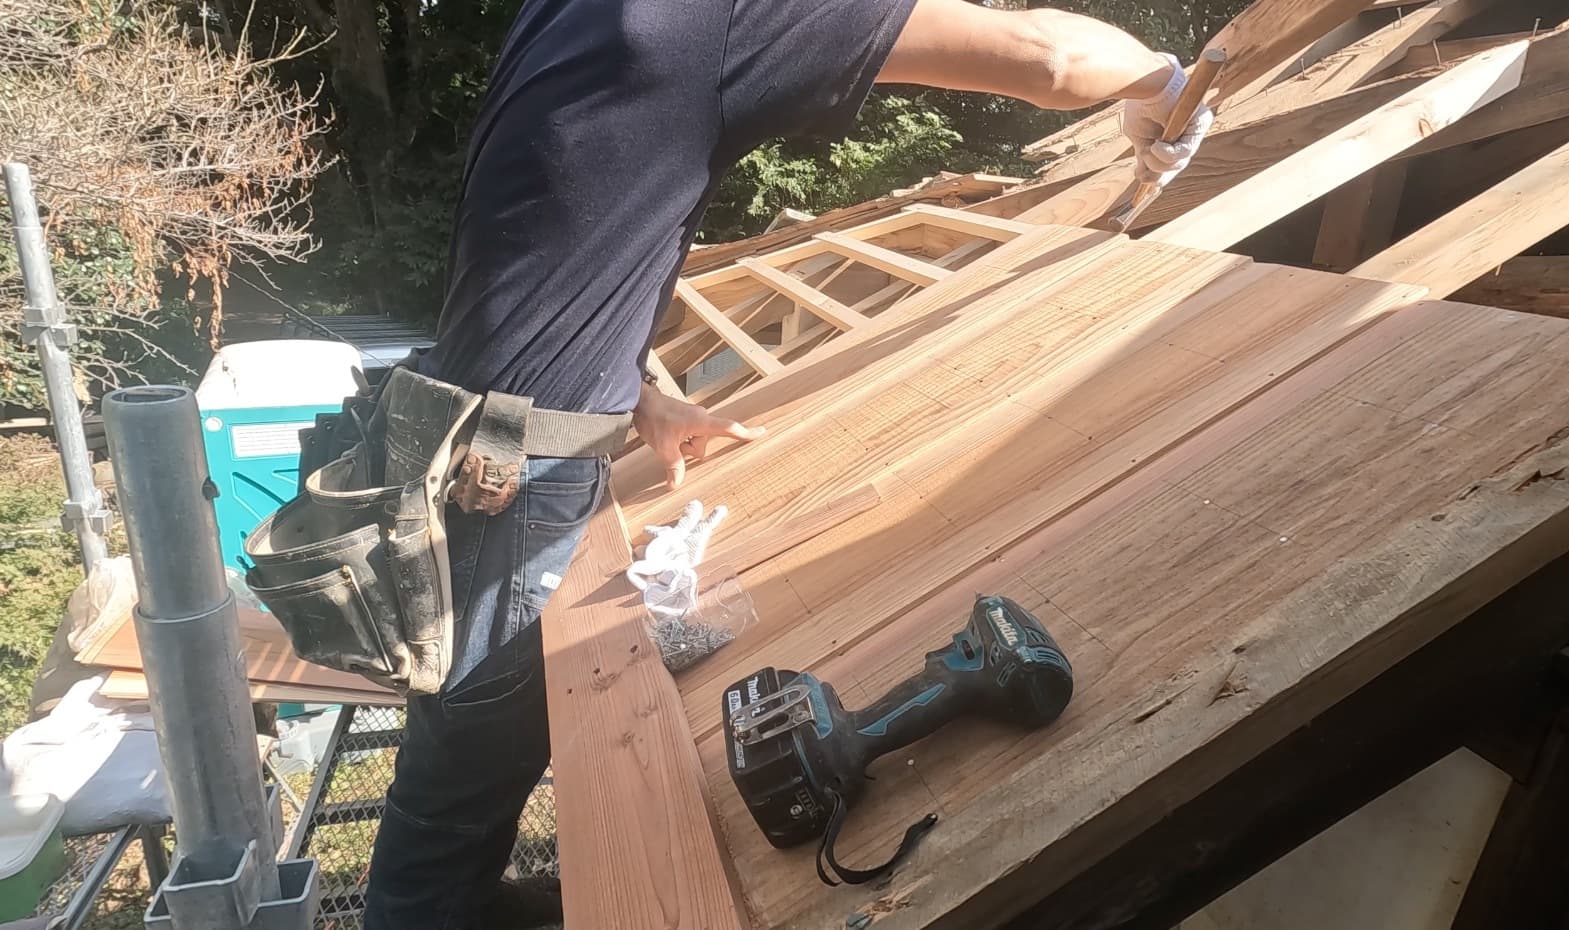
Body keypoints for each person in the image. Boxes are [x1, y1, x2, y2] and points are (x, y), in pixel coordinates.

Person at [361, 0, 1213, 927]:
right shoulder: (710, 15)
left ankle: (477, 906)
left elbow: (547, 224)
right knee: (455, 798)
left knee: (464, 779)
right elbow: (1043, 56)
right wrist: (1164, 85)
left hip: (466, 439)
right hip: (507, 480)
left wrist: (638, 394)